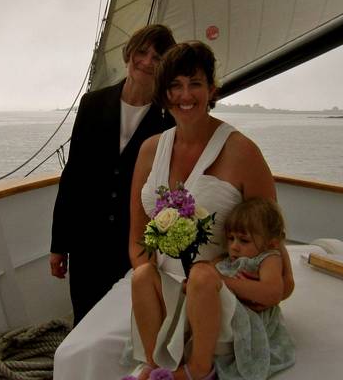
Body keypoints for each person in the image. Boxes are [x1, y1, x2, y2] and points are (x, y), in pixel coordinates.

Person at [53, 41, 293, 380]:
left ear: (212, 89)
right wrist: (159, 293)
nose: (185, 95)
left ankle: (197, 369)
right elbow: (138, 241)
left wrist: (243, 288)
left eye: (195, 83)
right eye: (175, 86)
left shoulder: (243, 153)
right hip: (164, 293)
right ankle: (157, 362)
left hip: (217, 295)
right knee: (136, 279)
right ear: (164, 94)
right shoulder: (151, 150)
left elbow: (278, 263)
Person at [49, 24, 176, 325]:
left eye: (157, 57)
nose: (146, 62)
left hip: (135, 244)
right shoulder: (93, 103)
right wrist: (59, 243)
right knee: (85, 318)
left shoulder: (170, 118)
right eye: (141, 52)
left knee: (127, 323)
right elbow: (73, 176)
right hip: (86, 240)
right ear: (129, 54)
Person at [209, 198, 295, 379]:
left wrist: (225, 282)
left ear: (270, 243)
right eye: (231, 238)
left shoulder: (267, 259)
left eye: (244, 240)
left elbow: (272, 292)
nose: (234, 246)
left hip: (252, 318)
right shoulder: (225, 260)